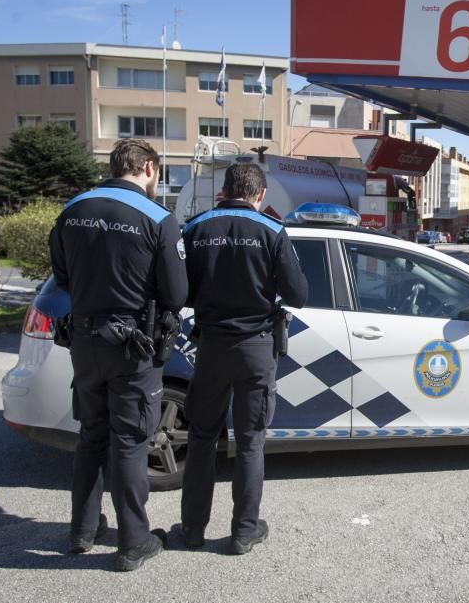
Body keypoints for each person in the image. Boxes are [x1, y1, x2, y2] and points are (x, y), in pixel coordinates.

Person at [49, 138, 187, 571]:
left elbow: (62, 276)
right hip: (133, 346)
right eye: (158, 172)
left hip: (85, 341)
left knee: (91, 434)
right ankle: (133, 542)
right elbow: (177, 293)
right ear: (148, 166)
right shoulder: (157, 217)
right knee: (130, 441)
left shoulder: (72, 210)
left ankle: (82, 531)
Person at [180, 162, 308, 555]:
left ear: (224, 190)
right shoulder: (271, 230)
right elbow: (298, 294)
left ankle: (192, 530)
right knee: (250, 440)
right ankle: (243, 532)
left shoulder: (196, 227)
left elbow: (180, 291)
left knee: (202, 438)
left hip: (211, 347)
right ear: (260, 194)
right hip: (256, 346)